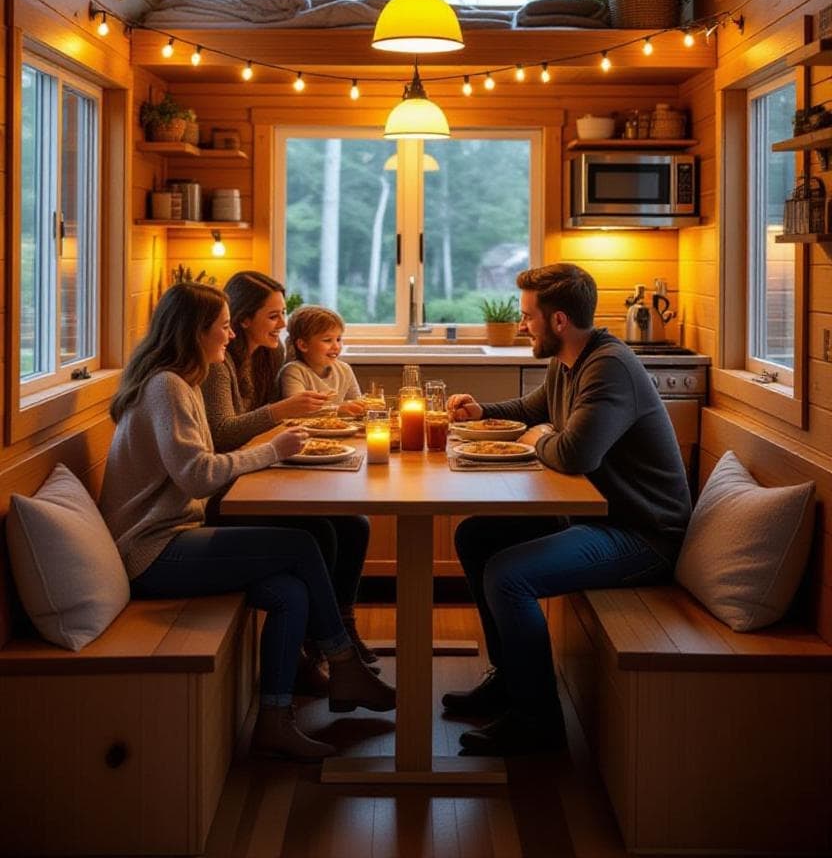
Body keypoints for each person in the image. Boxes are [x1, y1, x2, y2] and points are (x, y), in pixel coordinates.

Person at [99, 282, 395, 764]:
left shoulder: (182, 380)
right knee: (302, 543)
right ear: (195, 331)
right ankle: (343, 662)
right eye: (221, 325)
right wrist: (272, 451)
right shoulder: (167, 387)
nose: (229, 332)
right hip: (150, 550)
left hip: (175, 535)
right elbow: (197, 476)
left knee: (291, 591)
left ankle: (275, 720)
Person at [443, 263, 691, 757]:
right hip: (598, 518)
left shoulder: (609, 368)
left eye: (527, 316)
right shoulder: (570, 360)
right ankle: (510, 680)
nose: (521, 325)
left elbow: (575, 454)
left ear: (558, 321)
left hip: (643, 535)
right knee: (476, 536)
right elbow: (534, 411)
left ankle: (536, 723)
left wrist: (540, 440)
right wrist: (483, 412)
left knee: (507, 575)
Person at [201, 273, 377, 674]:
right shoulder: (219, 364)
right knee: (322, 531)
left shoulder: (266, 354)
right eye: (275, 316)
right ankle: (324, 643)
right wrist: (282, 412)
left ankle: (340, 630)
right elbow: (223, 432)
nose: (283, 324)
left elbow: (264, 427)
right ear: (244, 319)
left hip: (256, 472)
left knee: (355, 525)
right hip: (226, 490)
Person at [279, 304, 363, 415]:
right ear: (303, 345)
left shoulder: (344, 369)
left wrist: (363, 407)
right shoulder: (293, 371)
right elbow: (298, 410)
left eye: (338, 339)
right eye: (327, 340)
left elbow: (356, 403)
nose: (336, 346)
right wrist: (337, 410)